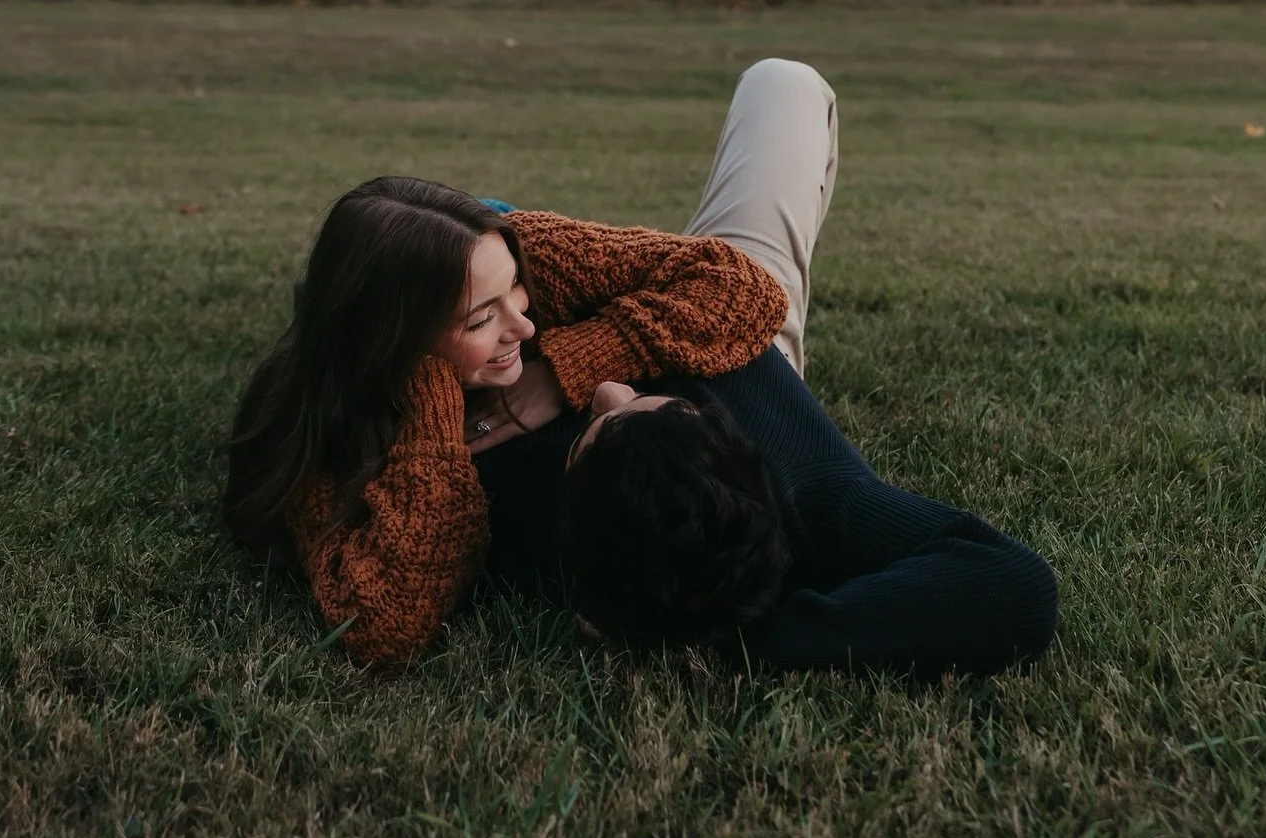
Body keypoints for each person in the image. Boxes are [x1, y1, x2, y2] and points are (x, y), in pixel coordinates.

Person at [224, 60, 1057, 675]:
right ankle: (473, 248)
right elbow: (1012, 584)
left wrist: (735, 639)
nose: (613, 394)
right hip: (724, 328)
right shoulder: (822, 496)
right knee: (785, 84)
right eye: (486, 308)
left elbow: (386, 618)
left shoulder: (506, 504)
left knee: (334, 289)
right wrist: (561, 349)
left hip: (673, 319)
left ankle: (445, 263)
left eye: (598, 421)